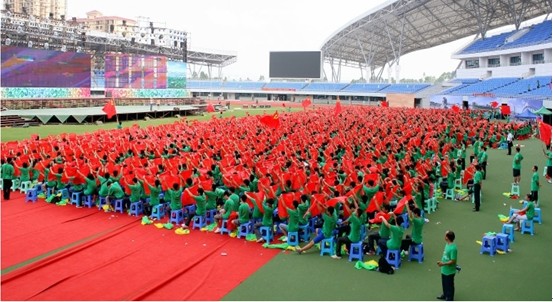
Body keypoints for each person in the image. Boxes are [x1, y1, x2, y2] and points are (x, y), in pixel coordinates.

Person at [437, 230, 458, 301]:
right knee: (444, 283)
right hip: (444, 269)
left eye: (445, 235)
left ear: (447, 238)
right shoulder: (447, 244)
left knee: (450, 285)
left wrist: (443, 264)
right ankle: (445, 294)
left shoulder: (453, 248)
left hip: (449, 271)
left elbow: (453, 260)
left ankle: (450, 298)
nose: (444, 236)